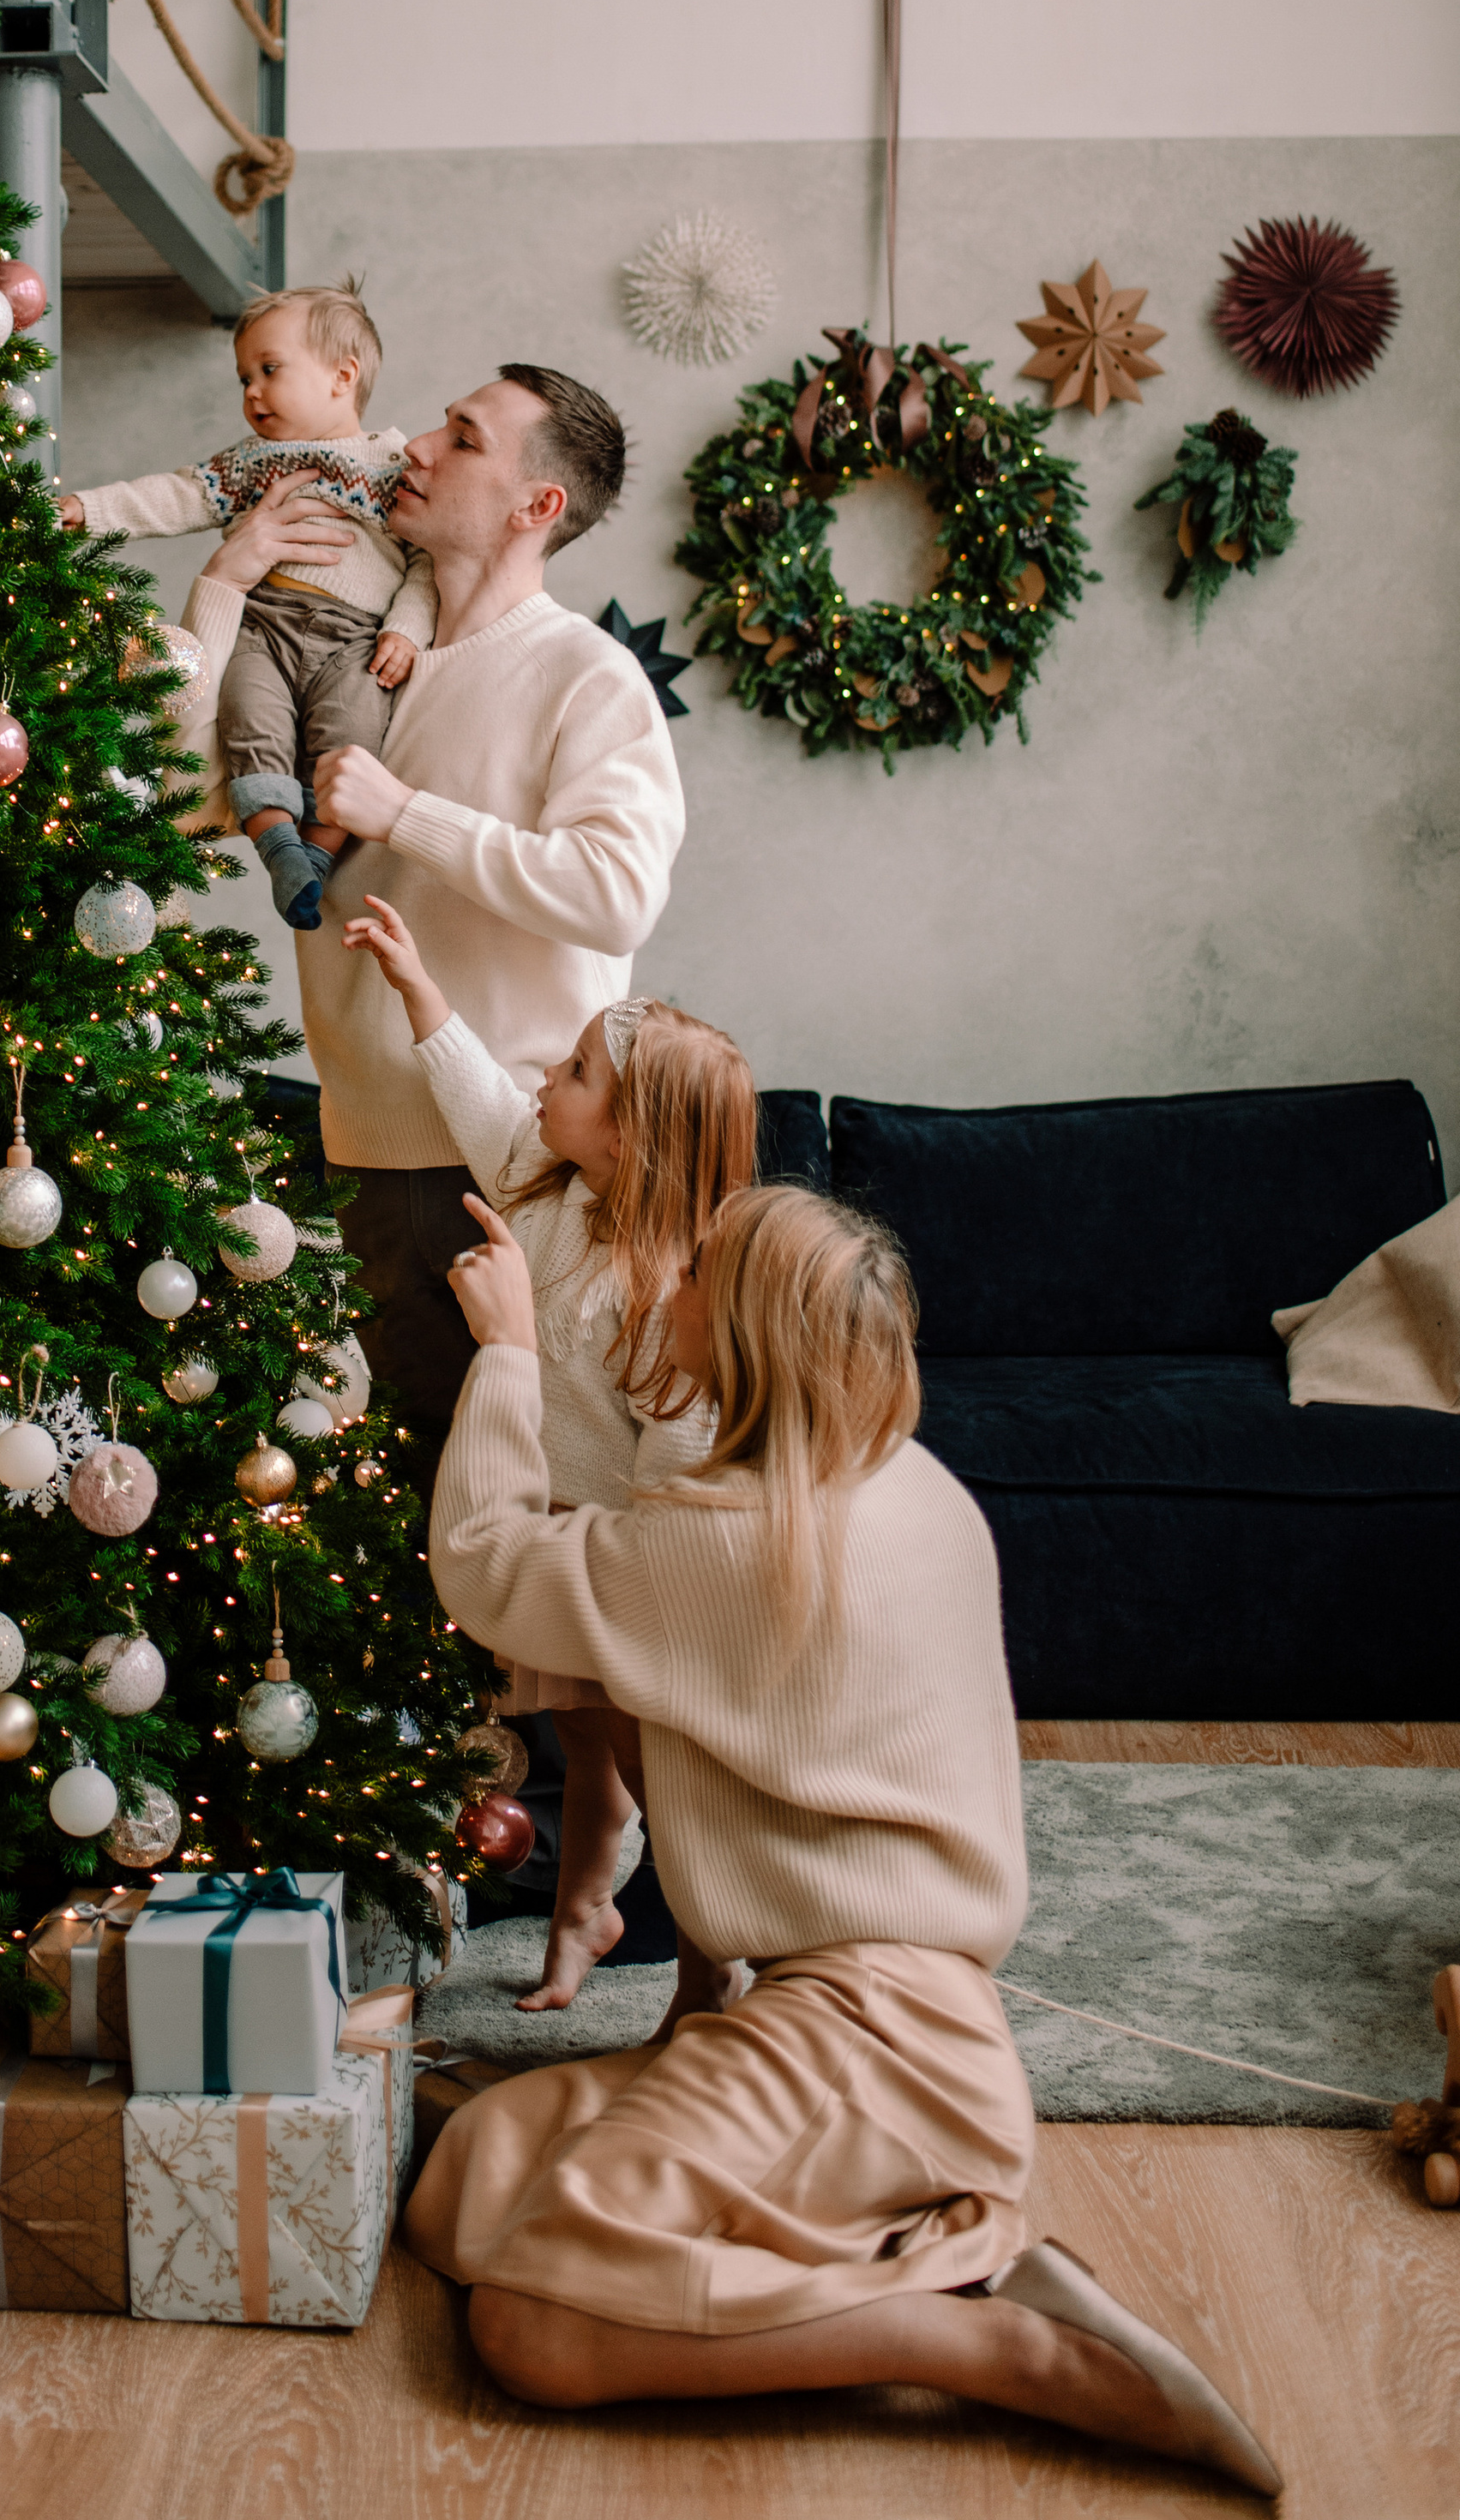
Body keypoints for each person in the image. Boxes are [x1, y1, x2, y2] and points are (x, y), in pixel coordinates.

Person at [404, 1180, 1283, 2499]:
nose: (665, 1285)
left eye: (692, 1270)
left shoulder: (719, 1543)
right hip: (882, 2020)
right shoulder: (910, 1484)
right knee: (463, 2170)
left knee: (532, 2325)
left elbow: (482, 1560)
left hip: (872, 2034)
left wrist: (513, 1350)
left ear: (748, 1331)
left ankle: (997, 2345)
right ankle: (892, 2235)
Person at [168, 361, 683, 1455]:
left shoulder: (585, 677)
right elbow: (165, 797)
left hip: (517, 1162)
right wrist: (223, 583)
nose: (414, 448)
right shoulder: (343, 658)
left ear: (534, 506)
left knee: (516, 1500)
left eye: (461, 438)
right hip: (358, 1154)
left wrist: (405, 814)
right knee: (390, 1522)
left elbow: (617, 895)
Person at [344, 889, 754, 2015]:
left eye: (572, 1073)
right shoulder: (544, 1186)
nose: (544, 1081)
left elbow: (681, 1468)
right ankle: (584, 1905)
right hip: (561, 1542)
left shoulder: (669, 1296)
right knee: (576, 1727)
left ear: (626, 1133)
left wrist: (651, 1595)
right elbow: (479, 1095)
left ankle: (709, 1969)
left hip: (637, 1566)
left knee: (656, 1763)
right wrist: (416, 980)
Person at [60, 279, 436, 930]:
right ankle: (278, 845)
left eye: (269, 370)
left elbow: (428, 563)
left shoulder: (392, 467)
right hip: (261, 625)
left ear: (341, 377)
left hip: (354, 640)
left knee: (351, 735)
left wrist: (405, 627)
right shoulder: (251, 465)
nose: (251, 392)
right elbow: (173, 497)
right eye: (243, 378)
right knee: (248, 722)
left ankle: (313, 860)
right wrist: (87, 510)